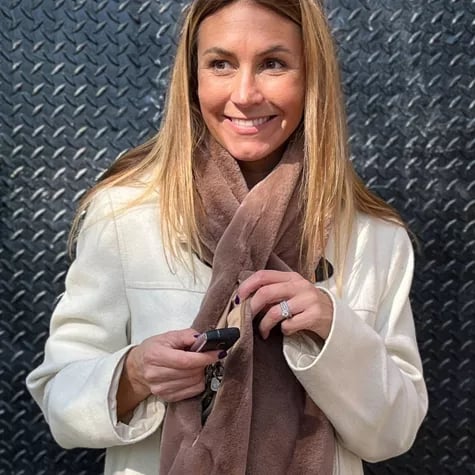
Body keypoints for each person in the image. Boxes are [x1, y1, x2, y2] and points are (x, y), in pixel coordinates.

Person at [26, 0, 428, 473]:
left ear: (311, 75)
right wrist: (134, 375)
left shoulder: (374, 237)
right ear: (193, 78)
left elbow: (394, 433)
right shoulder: (125, 213)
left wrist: (332, 330)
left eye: (273, 64)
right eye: (221, 64)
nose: (245, 94)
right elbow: (59, 396)